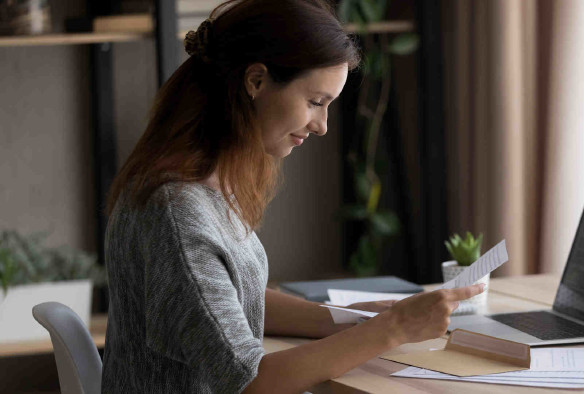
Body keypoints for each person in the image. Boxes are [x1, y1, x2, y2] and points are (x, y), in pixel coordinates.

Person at [100, 0, 484, 392]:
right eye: (315, 102)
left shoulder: (198, 182)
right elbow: (250, 383)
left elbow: (225, 304)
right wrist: (395, 328)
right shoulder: (178, 212)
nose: (322, 126)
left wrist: (354, 318)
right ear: (256, 81)